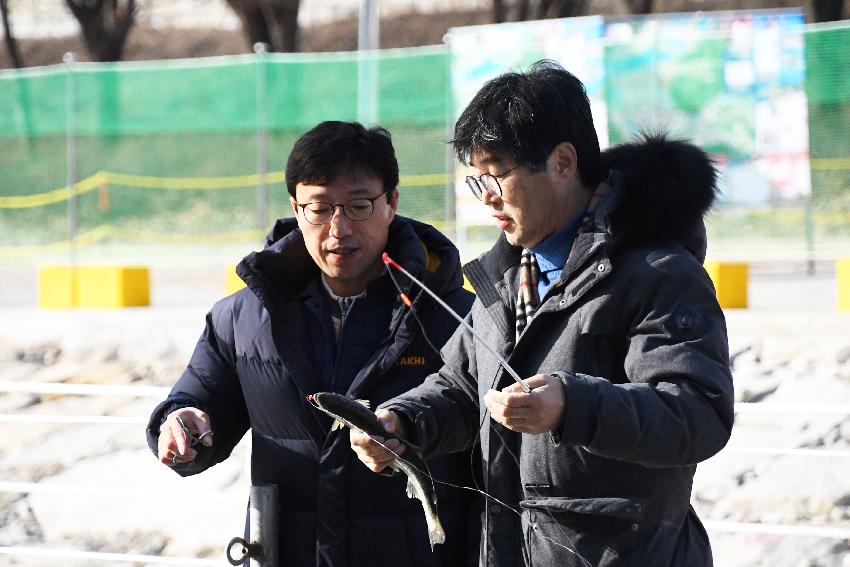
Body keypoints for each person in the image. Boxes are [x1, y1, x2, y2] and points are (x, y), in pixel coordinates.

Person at [351, 60, 735, 566]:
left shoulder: (659, 273)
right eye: (477, 180)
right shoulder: (508, 273)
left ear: (562, 162)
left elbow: (697, 412)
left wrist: (573, 406)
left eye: (498, 176)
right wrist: (404, 422)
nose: (487, 198)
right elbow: (465, 387)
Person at [146, 121, 479, 567]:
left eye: (359, 206)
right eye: (319, 209)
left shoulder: (456, 316)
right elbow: (201, 400)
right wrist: (182, 422)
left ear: (392, 204)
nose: (338, 229)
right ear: (296, 209)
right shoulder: (241, 317)